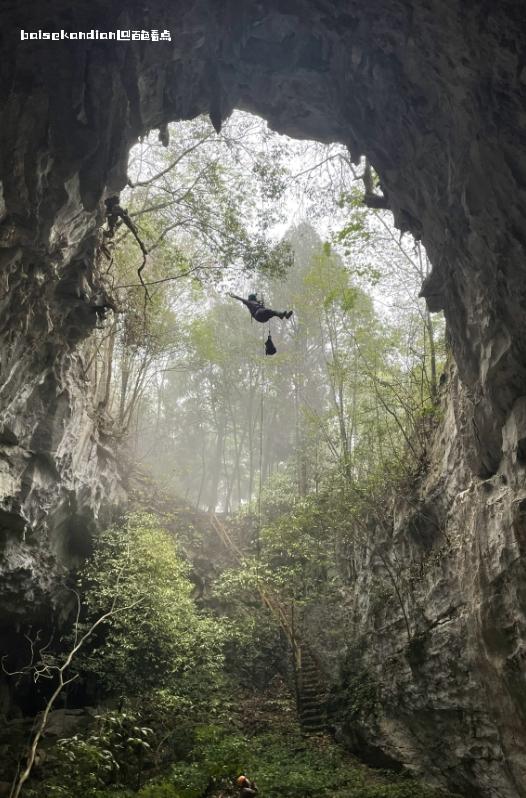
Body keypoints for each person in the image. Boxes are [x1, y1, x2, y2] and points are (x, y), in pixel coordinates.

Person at [228, 292, 292, 323]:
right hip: (258, 315)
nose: (256, 299)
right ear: (253, 299)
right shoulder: (249, 303)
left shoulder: (257, 303)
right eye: (255, 298)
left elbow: (256, 299)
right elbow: (242, 299)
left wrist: (257, 295)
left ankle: (284, 315)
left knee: (272, 312)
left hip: (263, 317)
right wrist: (235, 296)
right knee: (267, 311)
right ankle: (281, 315)